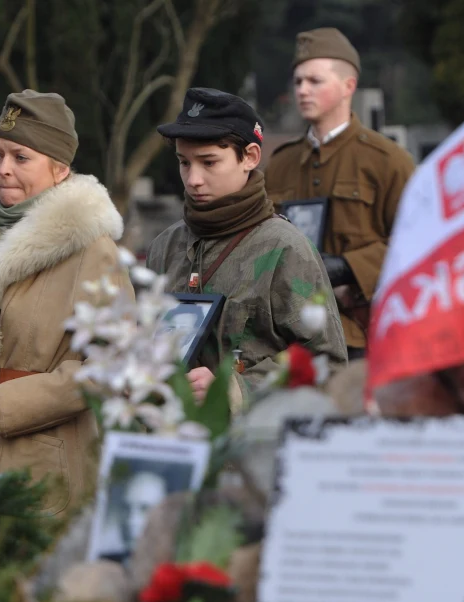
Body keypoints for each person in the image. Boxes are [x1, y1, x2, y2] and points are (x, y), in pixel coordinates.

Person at [0, 90, 133, 515]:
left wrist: (5, 404)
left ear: (60, 168)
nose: (3, 169)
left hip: (44, 472)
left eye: (21, 157)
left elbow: (112, 367)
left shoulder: (92, 250)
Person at [146, 87, 346, 413]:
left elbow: (326, 363)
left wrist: (236, 389)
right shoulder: (164, 247)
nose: (193, 179)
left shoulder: (285, 247)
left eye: (209, 162)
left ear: (250, 157)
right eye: (184, 163)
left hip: (252, 436)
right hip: (171, 432)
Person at [264, 28, 416, 358]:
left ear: (348, 86)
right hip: (291, 340)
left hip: (361, 336)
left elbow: (417, 240)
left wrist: (348, 267)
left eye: (314, 81)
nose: (302, 90)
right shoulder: (279, 164)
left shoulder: (387, 161)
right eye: (298, 81)